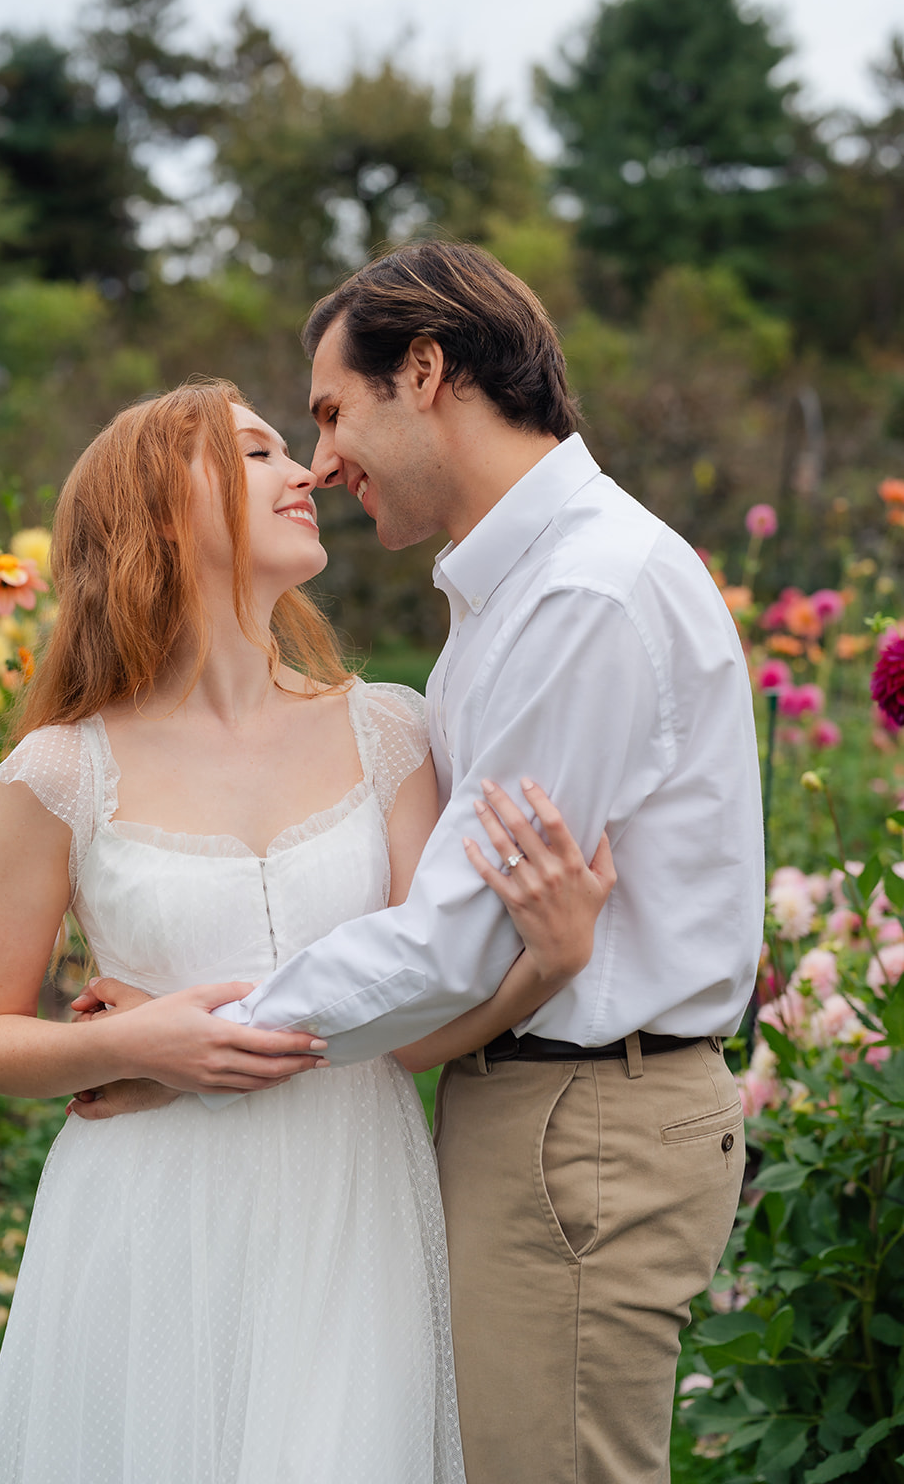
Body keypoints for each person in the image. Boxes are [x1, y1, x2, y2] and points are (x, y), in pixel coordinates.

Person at [81, 242, 765, 1483]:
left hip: (585, 1114)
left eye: (333, 410)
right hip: (540, 1100)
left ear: (429, 371)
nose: (321, 458)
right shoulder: (517, 596)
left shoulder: (584, 595)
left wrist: (180, 1049)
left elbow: (451, 938)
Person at [0, 379, 611, 1484]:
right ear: (157, 514)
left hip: (350, 1202)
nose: (304, 470)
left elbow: (409, 1026)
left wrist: (550, 962)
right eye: (253, 453)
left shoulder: (388, 728)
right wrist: (132, 1043)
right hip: (144, 1212)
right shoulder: (61, 770)